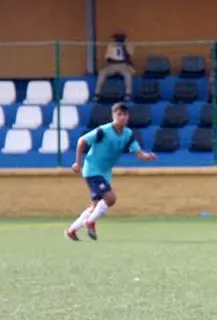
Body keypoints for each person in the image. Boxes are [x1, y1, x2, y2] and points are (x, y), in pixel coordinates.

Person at [65, 103, 157, 241]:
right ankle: (90, 222)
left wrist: (147, 156)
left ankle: (71, 230)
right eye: (119, 114)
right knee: (110, 198)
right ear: (113, 116)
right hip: (92, 169)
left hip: (105, 172)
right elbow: (82, 141)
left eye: (125, 114)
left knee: (95, 206)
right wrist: (78, 162)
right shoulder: (103, 130)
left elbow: (139, 153)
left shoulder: (128, 134)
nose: (122, 117)